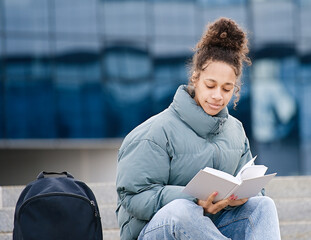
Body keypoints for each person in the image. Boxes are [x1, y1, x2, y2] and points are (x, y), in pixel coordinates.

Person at [116, 17, 281, 240]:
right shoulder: (154, 133)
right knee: (184, 211)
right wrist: (194, 199)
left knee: (263, 206)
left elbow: (251, 190)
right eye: (210, 85)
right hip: (156, 230)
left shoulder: (235, 131)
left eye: (226, 89)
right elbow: (133, 197)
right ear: (195, 78)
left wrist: (239, 198)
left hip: (211, 228)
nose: (217, 96)